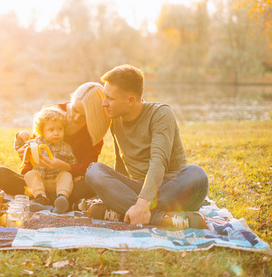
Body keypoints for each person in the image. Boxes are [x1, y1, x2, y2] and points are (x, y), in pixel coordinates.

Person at [85, 64, 209, 229]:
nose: (104, 104)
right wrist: (115, 194)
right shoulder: (115, 118)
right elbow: (120, 163)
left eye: (110, 98)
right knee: (94, 171)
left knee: (197, 174)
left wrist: (141, 203)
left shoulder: (161, 114)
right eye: (104, 97)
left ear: (130, 100)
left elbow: (158, 161)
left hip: (172, 189)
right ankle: (159, 218)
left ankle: (129, 213)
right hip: (139, 190)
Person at [0, 82, 111, 211]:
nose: (76, 118)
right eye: (75, 110)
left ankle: (50, 200)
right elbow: (35, 143)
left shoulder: (94, 131)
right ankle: (52, 200)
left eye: (84, 116)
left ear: (94, 116)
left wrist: (66, 167)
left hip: (68, 183)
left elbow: (89, 166)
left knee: (94, 182)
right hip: (39, 180)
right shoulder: (53, 113)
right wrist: (26, 156)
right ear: (72, 102)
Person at [16, 106, 77, 213]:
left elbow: (73, 163)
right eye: (51, 130)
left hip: (57, 182)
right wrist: (19, 137)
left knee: (66, 174)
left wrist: (77, 175)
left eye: (60, 129)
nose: (56, 133)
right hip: (41, 180)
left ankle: (62, 198)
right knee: (30, 174)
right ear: (42, 131)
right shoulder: (35, 142)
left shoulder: (66, 147)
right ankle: (41, 198)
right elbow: (20, 148)